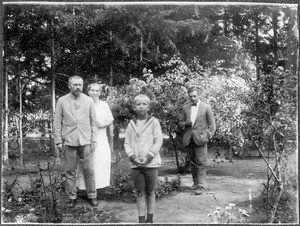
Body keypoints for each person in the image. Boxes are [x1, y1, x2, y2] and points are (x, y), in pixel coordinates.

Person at [53, 75, 98, 208]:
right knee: (70, 171)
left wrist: (94, 139)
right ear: (69, 85)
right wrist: (58, 141)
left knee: (89, 169)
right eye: (75, 84)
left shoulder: (89, 100)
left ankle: (92, 195)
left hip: (86, 140)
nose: (78, 87)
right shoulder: (61, 101)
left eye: (80, 84)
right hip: (69, 140)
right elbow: (57, 122)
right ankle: (72, 197)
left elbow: (93, 122)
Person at [124, 94, 163, 223]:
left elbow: (158, 141)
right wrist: (133, 157)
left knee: (151, 192)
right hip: (136, 165)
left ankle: (150, 220)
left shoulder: (154, 122)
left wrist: (149, 157)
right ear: (134, 107)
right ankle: (141, 220)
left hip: (151, 164)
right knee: (140, 192)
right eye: (138, 104)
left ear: (149, 106)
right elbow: (127, 143)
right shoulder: (131, 124)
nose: (141, 106)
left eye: (144, 104)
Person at [178, 86, 216, 194]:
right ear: (188, 97)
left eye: (195, 96)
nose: (193, 98)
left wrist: (207, 136)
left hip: (201, 139)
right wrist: (186, 123)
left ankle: (201, 186)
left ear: (198, 95)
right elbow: (180, 123)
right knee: (192, 162)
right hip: (189, 139)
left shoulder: (206, 107)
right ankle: (195, 183)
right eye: (191, 96)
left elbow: (212, 125)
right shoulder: (185, 108)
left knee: (201, 163)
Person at [76, 83, 114, 191]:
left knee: (101, 161)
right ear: (88, 92)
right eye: (92, 90)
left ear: (100, 93)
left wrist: (103, 124)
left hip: (101, 137)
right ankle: (85, 188)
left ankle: (98, 188)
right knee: (88, 163)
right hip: (86, 137)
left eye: (97, 91)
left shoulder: (104, 105)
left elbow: (110, 119)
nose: (95, 93)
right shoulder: (83, 104)